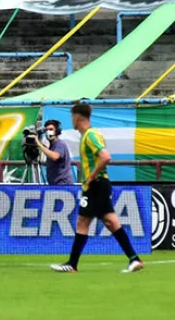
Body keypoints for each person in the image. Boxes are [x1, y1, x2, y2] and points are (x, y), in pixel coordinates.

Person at [51, 104, 144, 274]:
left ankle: (133, 258)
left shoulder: (90, 135)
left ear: (78, 117)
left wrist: (92, 176)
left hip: (97, 184)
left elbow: (105, 156)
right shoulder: (89, 135)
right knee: (88, 221)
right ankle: (74, 263)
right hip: (95, 185)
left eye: (72, 117)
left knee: (107, 221)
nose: (72, 120)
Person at [34, 119, 74, 185]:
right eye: (46, 130)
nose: (48, 132)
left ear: (56, 131)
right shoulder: (52, 146)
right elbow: (48, 152)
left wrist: (39, 144)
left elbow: (55, 156)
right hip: (54, 184)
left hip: (63, 185)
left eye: (51, 129)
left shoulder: (60, 144)